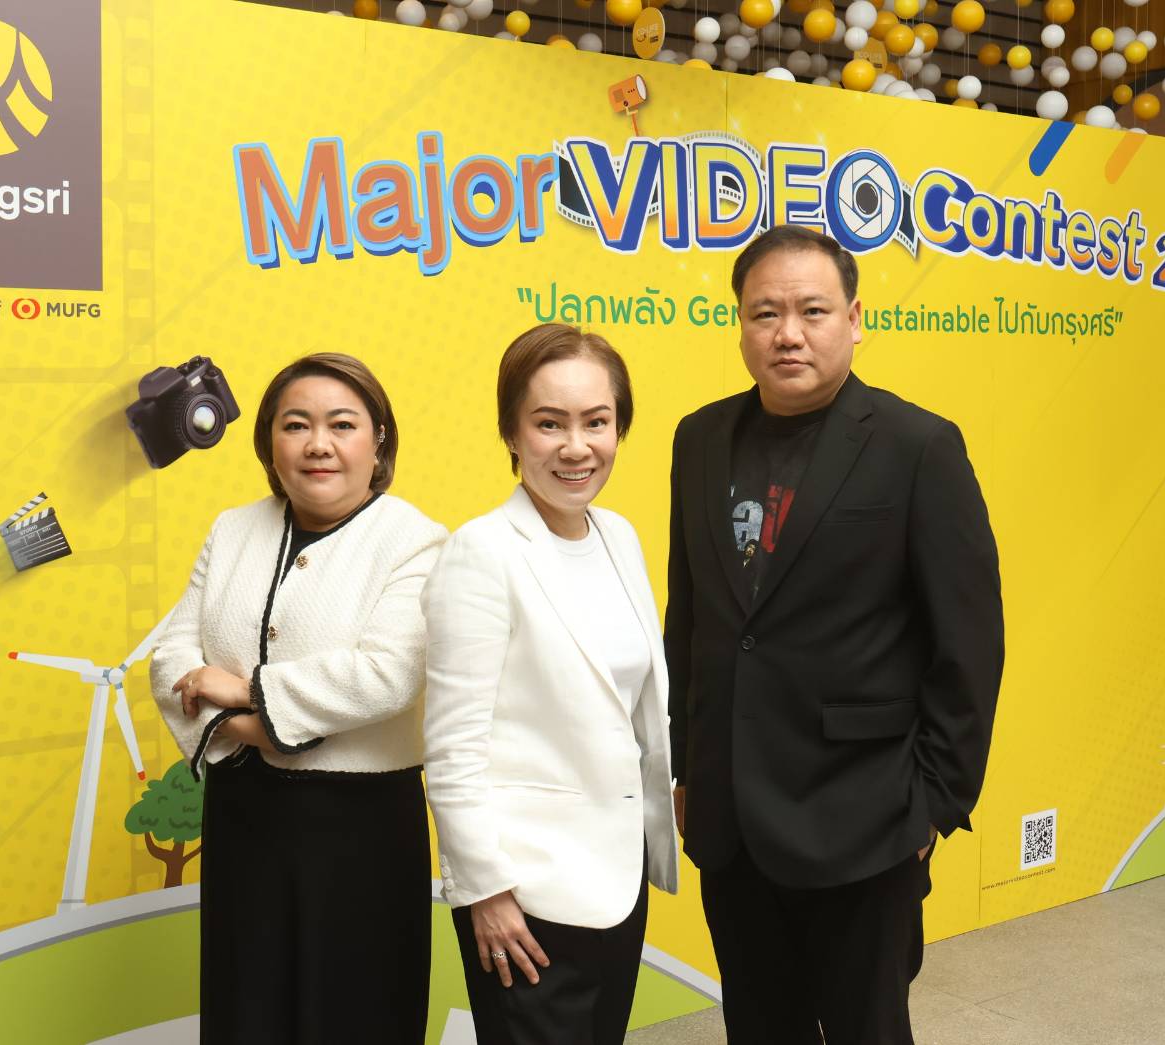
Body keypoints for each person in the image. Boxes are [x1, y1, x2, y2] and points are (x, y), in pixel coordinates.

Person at [664, 225, 1005, 1044]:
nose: (788, 333)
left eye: (812, 311)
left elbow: (968, 641)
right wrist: (684, 763)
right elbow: (690, 616)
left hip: (864, 818)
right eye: (765, 313)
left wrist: (933, 803)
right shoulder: (698, 438)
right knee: (758, 1026)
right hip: (731, 819)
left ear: (853, 320)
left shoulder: (917, 446)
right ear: (740, 325)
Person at [150, 353, 446, 1044]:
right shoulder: (232, 529)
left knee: (356, 1015)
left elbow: (388, 673)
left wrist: (241, 691)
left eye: (342, 424)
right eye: (295, 425)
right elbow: (171, 656)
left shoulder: (417, 541)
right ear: (268, 443)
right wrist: (245, 729)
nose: (318, 444)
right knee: (247, 1009)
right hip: (244, 818)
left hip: (360, 829)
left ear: (378, 440)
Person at [422, 323, 679, 1044]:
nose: (576, 447)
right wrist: (485, 892)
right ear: (511, 432)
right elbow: (452, 747)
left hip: (617, 878)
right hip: (525, 895)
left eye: (596, 422)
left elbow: (633, 708)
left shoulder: (618, 536)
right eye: (549, 423)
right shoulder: (481, 552)